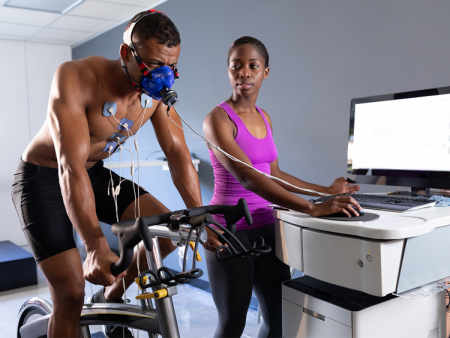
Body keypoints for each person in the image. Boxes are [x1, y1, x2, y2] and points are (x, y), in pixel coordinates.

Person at [11, 10, 202, 338]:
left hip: (93, 173)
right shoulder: (75, 77)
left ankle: (112, 295)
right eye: (156, 65)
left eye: (171, 66)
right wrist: (95, 243)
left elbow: (178, 155)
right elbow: (70, 167)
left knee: (168, 230)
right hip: (42, 177)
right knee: (70, 294)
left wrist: (199, 215)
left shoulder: (155, 96)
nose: (165, 76)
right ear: (127, 53)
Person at [202, 36, 361, 338]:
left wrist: (326, 191)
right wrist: (313, 208)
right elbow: (249, 178)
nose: (244, 72)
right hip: (228, 230)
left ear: (265, 72)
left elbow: (273, 174)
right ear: (229, 71)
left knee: (279, 319)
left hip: (266, 227)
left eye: (253, 65)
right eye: (236, 66)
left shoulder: (265, 118)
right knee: (232, 324)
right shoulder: (217, 119)